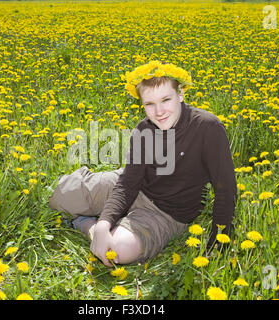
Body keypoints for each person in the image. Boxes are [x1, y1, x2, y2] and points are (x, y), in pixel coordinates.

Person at [49, 60, 238, 267]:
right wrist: (105, 224)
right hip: (136, 186)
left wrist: (218, 244)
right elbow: (128, 184)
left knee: (115, 252)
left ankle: (86, 224)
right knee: (60, 196)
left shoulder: (207, 127)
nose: (159, 112)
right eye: (149, 104)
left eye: (166, 99)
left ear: (181, 94)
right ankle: (102, 207)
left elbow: (225, 190)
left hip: (167, 213)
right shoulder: (143, 129)